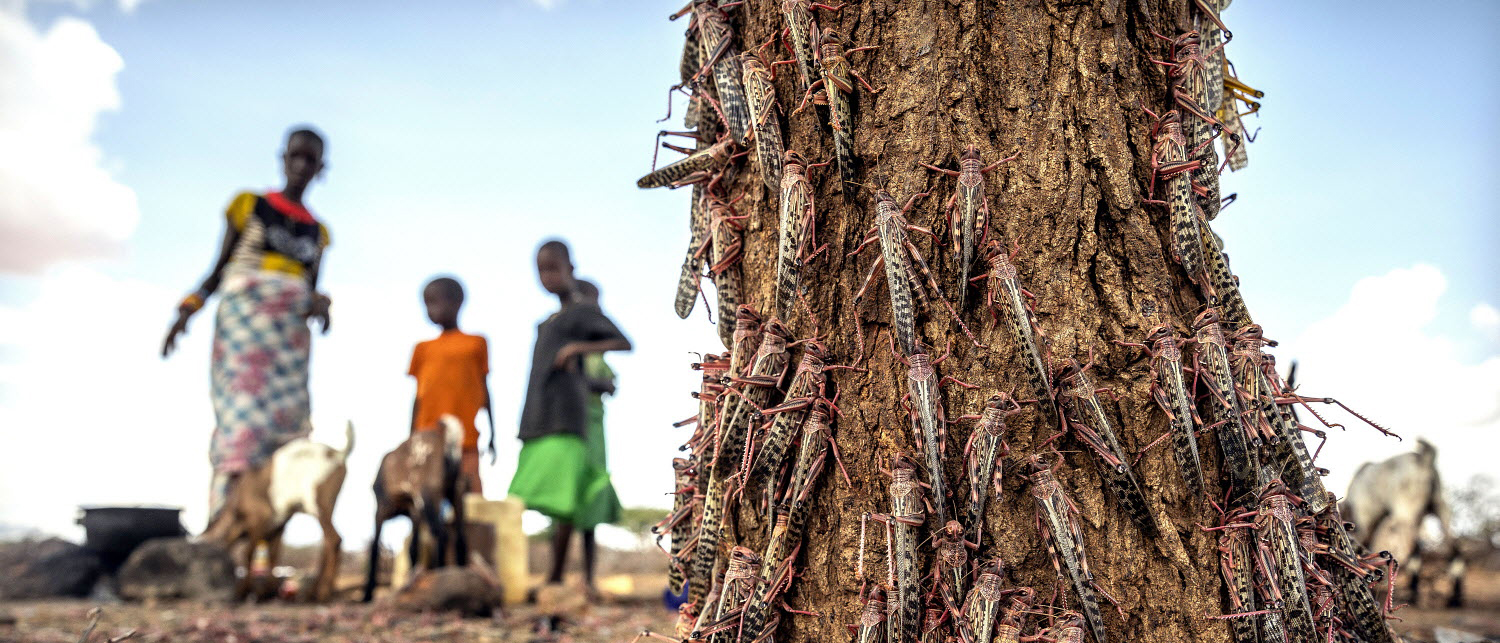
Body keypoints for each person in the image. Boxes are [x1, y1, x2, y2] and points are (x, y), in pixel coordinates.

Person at [161, 126, 332, 527]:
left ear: (321, 168)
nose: (302, 166)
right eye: (296, 156)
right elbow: (219, 268)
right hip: (244, 330)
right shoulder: (249, 205)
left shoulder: (318, 233)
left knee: (286, 437)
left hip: (289, 343)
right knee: (241, 426)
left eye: (311, 160)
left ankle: (260, 543)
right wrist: (186, 311)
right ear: (283, 158)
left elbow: (311, 288)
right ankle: (223, 524)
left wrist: (320, 306)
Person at [508, 240, 630, 595]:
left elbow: (621, 347)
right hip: (543, 418)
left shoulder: (580, 313)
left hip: (577, 424)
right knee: (552, 498)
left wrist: (578, 349)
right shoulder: (549, 322)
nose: (547, 277)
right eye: (541, 270)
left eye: (553, 268)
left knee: (569, 500)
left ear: (570, 269)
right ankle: (559, 577)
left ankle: (560, 578)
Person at [409, 276, 495, 495]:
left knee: (470, 493)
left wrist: (493, 434)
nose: (430, 310)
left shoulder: (476, 344)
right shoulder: (422, 349)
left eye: (435, 302)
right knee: (425, 494)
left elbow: (485, 390)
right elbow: (418, 396)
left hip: (465, 437)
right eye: (426, 304)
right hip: (428, 437)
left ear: (457, 302)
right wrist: (411, 438)